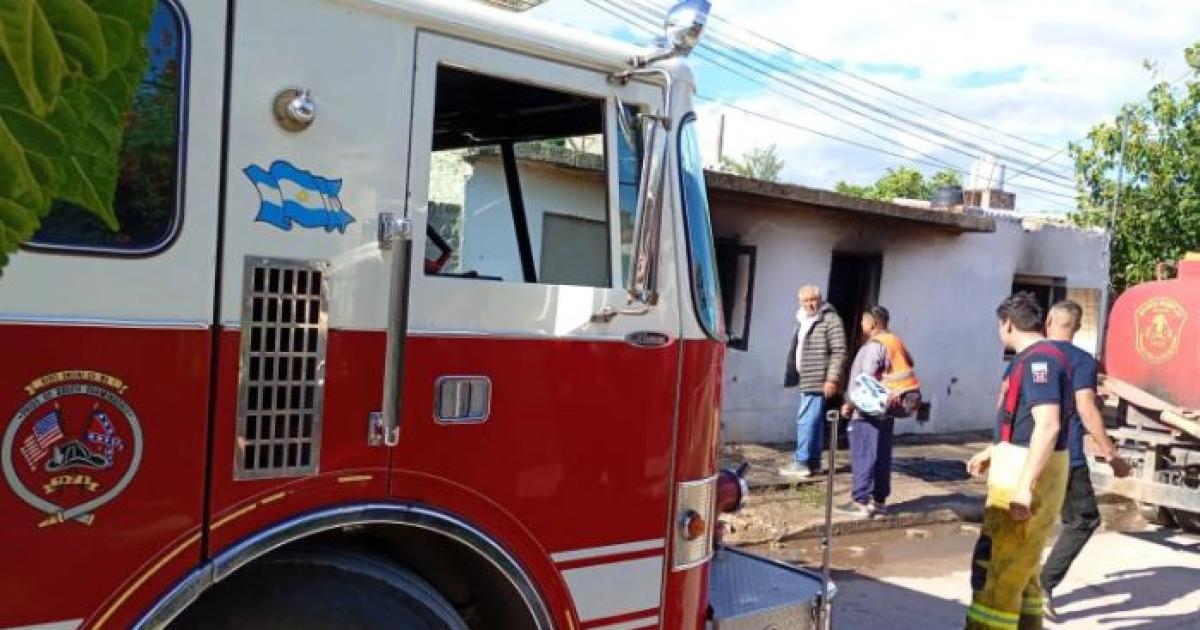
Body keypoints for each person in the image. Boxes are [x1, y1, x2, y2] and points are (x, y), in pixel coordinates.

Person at [965, 293, 1073, 630]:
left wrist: (1024, 488)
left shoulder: (1038, 362)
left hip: (1023, 477)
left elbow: (1048, 424)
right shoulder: (1046, 357)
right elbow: (1025, 423)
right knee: (1023, 572)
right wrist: (993, 449)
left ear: (1007, 324)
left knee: (997, 571)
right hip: (1022, 464)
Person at [1039, 300, 1131, 618]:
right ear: (1078, 328)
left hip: (1024, 454)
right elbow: (1087, 409)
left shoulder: (1027, 356)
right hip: (1065, 456)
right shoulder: (1080, 361)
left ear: (1049, 320)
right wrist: (1111, 454)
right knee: (1083, 520)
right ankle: (1041, 585)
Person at [838, 306, 920, 517]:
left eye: (863, 322)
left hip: (869, 410)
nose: (861, 325)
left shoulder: (875, 346)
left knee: (864, 453)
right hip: (887, 410)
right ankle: (880, 502)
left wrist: (850, 402)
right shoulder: (895, 342)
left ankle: (860, 501)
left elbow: (865, 380)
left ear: (872, 323)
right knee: (882, 455)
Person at [780, 284, 847, 479]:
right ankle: (814, 462)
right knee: (814, 422)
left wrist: (832, 379)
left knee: (806, 421)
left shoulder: (830, 320)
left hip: (818, 378)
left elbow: (839, 351)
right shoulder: (802, 319)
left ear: (820, 299)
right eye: (806, 300)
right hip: (806, 377)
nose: (810, 304)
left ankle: (801, 462)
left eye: (813, 300)